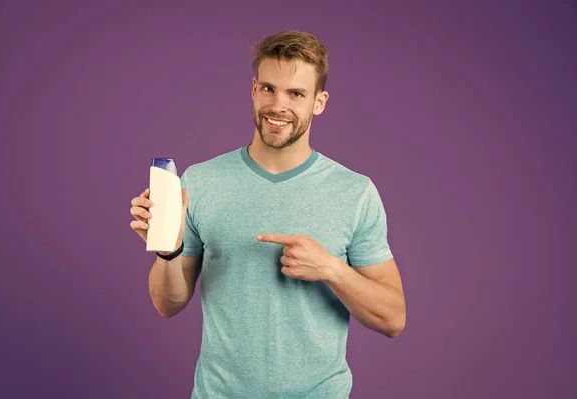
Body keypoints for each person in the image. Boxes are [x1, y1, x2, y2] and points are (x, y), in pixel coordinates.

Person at [129, 30, 406, 399]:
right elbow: (168, 304)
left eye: (296, 94)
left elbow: (393, 319)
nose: (278, 106)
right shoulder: (200, 181)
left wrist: (330, 269)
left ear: (318, 102)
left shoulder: (354, 192)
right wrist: (168, 248)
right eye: (268, 89)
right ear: (254, 89)